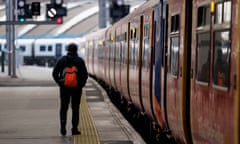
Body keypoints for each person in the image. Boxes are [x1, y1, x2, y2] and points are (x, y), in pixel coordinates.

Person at [52, 43, 88, 136]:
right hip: (76, 89)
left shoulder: (61, 60)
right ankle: (74, 129)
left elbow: (54, 74)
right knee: (75, 108)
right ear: (76, 50)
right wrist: (80, 85)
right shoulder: (80, 61)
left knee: (64, 107)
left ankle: (63, 127)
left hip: (64, 88)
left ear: (67, 50)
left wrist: (60, 83)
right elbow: (85, 75)